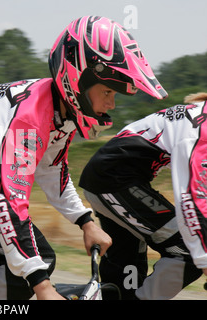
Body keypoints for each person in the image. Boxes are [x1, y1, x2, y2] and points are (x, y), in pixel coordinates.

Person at [0, 16, 167, 300]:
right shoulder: (30, 119)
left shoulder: (59, 112)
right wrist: (42, 286)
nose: (111, 103)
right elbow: (9, 202)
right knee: (36, 261)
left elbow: (53, 173)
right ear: (78, 78)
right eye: (107, 91)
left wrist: (86, 222)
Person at [79, 93, 207, 299]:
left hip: (108, 176)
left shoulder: (199, 115)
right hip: (115, 181)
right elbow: (189, 199)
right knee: (188, 251)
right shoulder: (200, 129)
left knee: (126, 269)